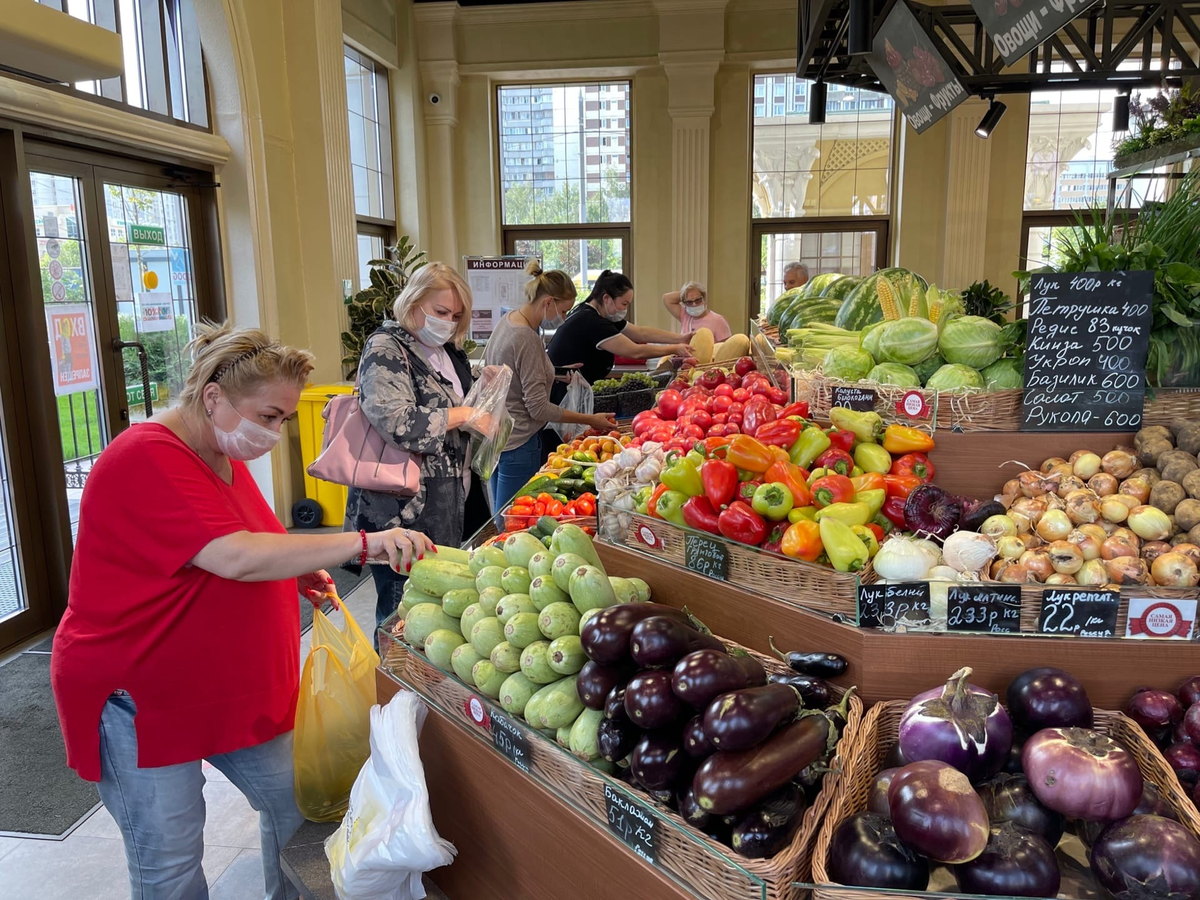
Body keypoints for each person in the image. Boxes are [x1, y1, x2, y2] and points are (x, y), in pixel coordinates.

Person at [51, 322, 435, 900]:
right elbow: (232, 555)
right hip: (141, 698)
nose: (277, 432)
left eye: (283, 418)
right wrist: (362, 542)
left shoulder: (218, 454)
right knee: (171, 864)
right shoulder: (147, 457)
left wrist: (295, 567)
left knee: (305, 811)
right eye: (270, 416)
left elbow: (246, 536)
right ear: (213, 398)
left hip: (232, 689)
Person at [346, 261, 493, 632]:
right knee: (404, 614)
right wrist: (463, 415)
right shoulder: (385, 347)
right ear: (412, 303)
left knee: (442, 612)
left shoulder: (447, 350)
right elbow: (396, 420)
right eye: (440, 312)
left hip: (452, 501)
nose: (447, 321)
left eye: (455, 315)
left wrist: (484, 385)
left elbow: (451, 399)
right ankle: (396, 685)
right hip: (405, 510)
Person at [485, 260, 617, 511]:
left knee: (499, 512)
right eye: (564, 311)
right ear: (548, 303)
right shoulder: (527, 338)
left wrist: (554, 375)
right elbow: (538, 409)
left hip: (498, 435)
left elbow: (511, 374)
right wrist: (590, 419)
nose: (564, 318)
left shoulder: (510, 320)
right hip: (520, 441)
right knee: (513, 518)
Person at [547, 269, 692, 391]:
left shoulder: (597, 314)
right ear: (606, 298)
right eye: (624, 304)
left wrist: (680, 338)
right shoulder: (591, 321)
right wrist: (675, 349)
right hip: (563, 391)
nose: (625, 309)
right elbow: (635, 351)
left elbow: (641, 333)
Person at [662, 280, 731, 341]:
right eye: (689, 302)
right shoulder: (685, 316)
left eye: (698, 300)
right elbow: (667, 298)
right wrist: (685, 293)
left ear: (704, 299)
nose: (694, 304)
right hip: (686, 355)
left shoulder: (718, 320)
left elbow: (725, 349)